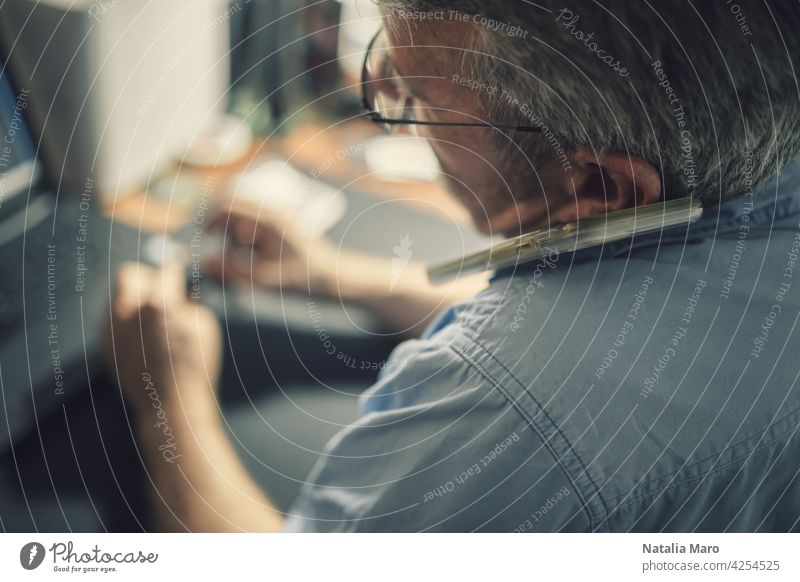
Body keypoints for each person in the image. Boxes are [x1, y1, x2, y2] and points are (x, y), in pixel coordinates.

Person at [107, 1, 800, 532]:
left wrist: (168, 396)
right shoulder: (758, 163)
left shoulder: (519, 412)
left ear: (598, 189)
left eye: (418, 97)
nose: (383, 97)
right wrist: (345, 277)